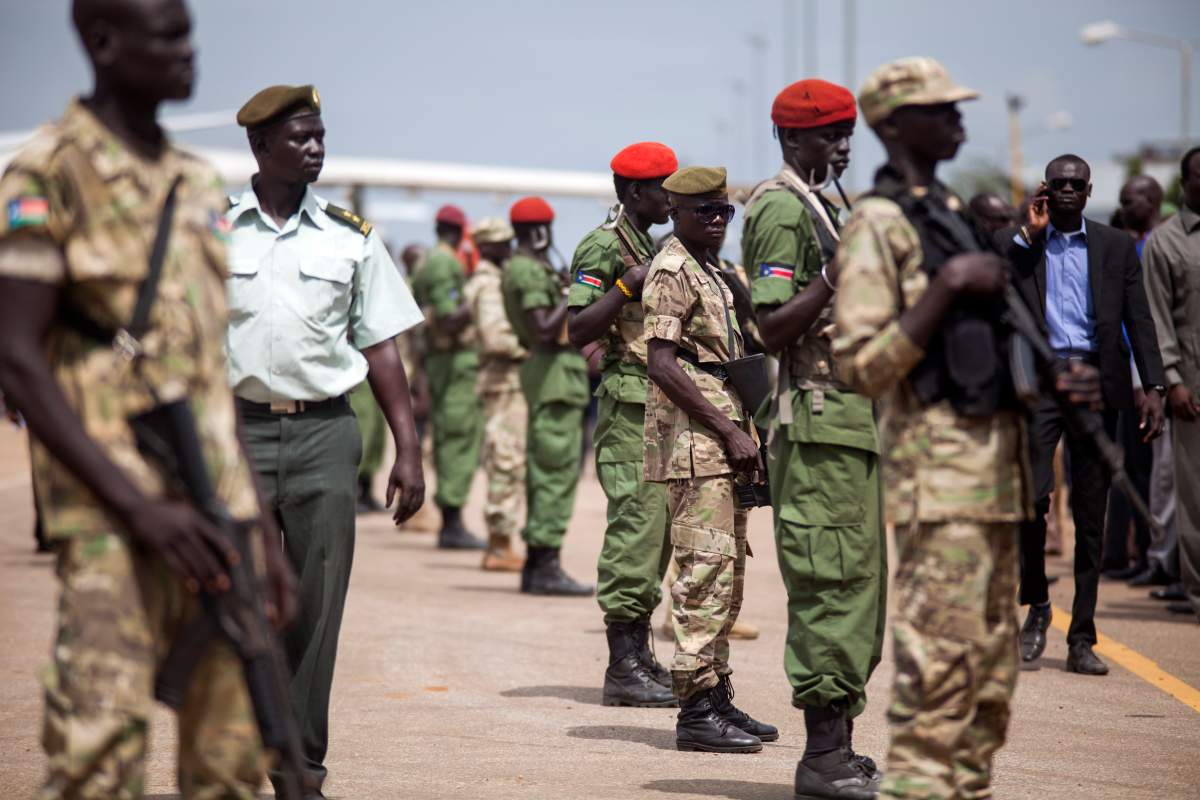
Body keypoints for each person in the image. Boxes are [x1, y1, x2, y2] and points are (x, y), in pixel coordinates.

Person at [0, 1, 299, 795]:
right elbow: (17, 356)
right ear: (102, 41)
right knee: (99, 758)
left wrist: (260, 530)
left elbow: (206, 368)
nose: (186, 52)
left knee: (235, 760)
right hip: (112, 518)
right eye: (165, 36)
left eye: (188, 34)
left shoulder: (197, 184)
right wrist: (138, 507)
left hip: (216, 514)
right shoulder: (48, 172)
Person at [834, 56, 1101, 800]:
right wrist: (946, 288)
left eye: (959, 107)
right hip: (940, 488)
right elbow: (858, 364)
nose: (957, 119)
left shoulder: (947, 214)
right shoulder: (878, 224)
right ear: (892, 124)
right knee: (935, 698)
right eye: (939, 108)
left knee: (986, 697)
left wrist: (1048, 382)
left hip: (996, 485)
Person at [225, 83, 425, 795]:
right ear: (259, 147)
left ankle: (298, 767)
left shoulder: (351, 238)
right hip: (234, 437)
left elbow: (381, 347)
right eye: (300, 138)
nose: (315, 148)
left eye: (320, 136)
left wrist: (408, 447)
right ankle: (232, 750)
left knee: (315, 611)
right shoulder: (212, 232)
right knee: (231, 600)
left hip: (324, 438)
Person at [742, 78, 885, 796]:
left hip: (856, 425)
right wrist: (833, 272)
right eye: (829, 133)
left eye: (846, 131)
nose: (842, 144)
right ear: (793, 139)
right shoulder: (778, 209)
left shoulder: (834, 205)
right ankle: (820, 758)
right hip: (819, 422)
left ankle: (843, 747)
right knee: (829, 584)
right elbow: (769, 328)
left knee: (860, 588)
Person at [995, 154, 1166, 675]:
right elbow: (1000, 278)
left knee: (1092, 513)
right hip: (1041, 386)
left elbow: (1139, 318)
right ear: (1046, 189)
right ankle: (1038, 603)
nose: (1068, 190)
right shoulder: (1022, 242)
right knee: (1031, 498)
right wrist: (1029, 233)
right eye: (1059, 183)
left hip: (1097, 382)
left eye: (1077, 184)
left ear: (1089, 192)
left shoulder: (1114, 247)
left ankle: (1082, 637)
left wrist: (1153, 385)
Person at [643, 165, 775, 754]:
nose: (718, 220)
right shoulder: (672, 269)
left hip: (724, 439)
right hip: (698, 445)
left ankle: (715, 693)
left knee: (726, 574)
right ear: (675, 211)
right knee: (703, 575)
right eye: (706, 212)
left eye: (725, 211)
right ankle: (695, 710)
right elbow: (663, 362)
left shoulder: (713, 270)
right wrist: (727, 428)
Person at [567, 141, 677, 707]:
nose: (671, 197)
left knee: (655, 534)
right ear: (636, 192)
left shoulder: (650, 243)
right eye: (663, 188)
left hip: (658, 407)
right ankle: (622, 666)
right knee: (634, 531)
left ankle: (642, 655)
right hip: (627, 406)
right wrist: (626, 286)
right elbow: (577, 328)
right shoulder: (602, 245)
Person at [501, 196, 593, 595]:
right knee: (555, 473)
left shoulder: (525, 266)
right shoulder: (526, 269)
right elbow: (542, 328)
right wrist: (573, 291)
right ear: (540, 231)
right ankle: (544, 564)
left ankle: (539, 563)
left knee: (549, 472)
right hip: (554, 371)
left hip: (553, 371)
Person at [1142, 146, 1200, 622]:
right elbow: (1158, 318)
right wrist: (1172, 381)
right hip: (1191, 386)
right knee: (1193, 493)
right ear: (1185, 182)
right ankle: (1196, 590)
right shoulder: (1166, 242)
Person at [1101, 176, 1166, 581]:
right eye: (1122, 200)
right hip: (1125, 371)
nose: (1125, 206)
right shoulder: (1130, 245)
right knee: (1136, 468)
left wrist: (1153, 382)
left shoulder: (1158, 245)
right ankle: (1143, 555)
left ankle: (1157, 558)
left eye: (1132, 199)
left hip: (1153, 373)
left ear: (1154, 199)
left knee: (1152, 470)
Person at [411, 205, 486, 549]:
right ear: (459, 232)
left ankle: (450, 520)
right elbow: (447, 317)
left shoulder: (431, 260)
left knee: (450, 436)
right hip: (454, 361)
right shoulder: (444, 263)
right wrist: (481, 299)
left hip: (445, 361)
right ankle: (452, 522)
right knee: (458, 437)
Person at [464, 217, 526, 572]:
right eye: (502, 244)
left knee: (509, 458)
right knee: (505, 458)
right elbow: (496, 338)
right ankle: (500, 544)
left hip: (509, 381)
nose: (509, 249)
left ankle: (501, 541)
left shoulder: (496, 279)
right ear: (486, 247)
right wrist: (533, 346)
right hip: (503, 381)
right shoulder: (488, 284)